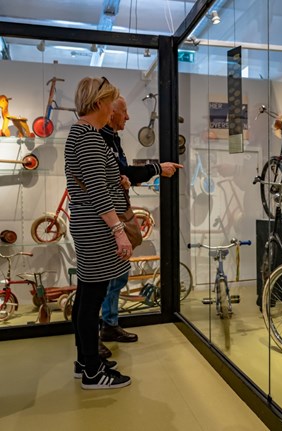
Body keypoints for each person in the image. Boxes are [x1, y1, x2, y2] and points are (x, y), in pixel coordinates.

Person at [98, 96, 183, 357]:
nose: (128, 117)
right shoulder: (97, 138)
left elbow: (122, 173)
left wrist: (122, 178)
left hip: (118, 213)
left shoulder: (113, 139)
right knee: (100, 281)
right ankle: (92, 341)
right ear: (109, 112)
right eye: (124, 112)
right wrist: (158, 167)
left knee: (119, 273)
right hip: (105, 221)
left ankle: (110, 324)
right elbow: (99, 184)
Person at [65, 76, 131, 389]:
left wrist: (118, 180)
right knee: (91, 300)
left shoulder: (81, 134)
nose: (112, 110)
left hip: (89, 225)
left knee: (87, 297)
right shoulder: (89, 137)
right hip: (96, 228)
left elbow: (96, 179)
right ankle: (92, 371)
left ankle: (85, 361)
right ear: (99, 103)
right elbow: (96, 190)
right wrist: (118, 230)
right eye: (110, 103)